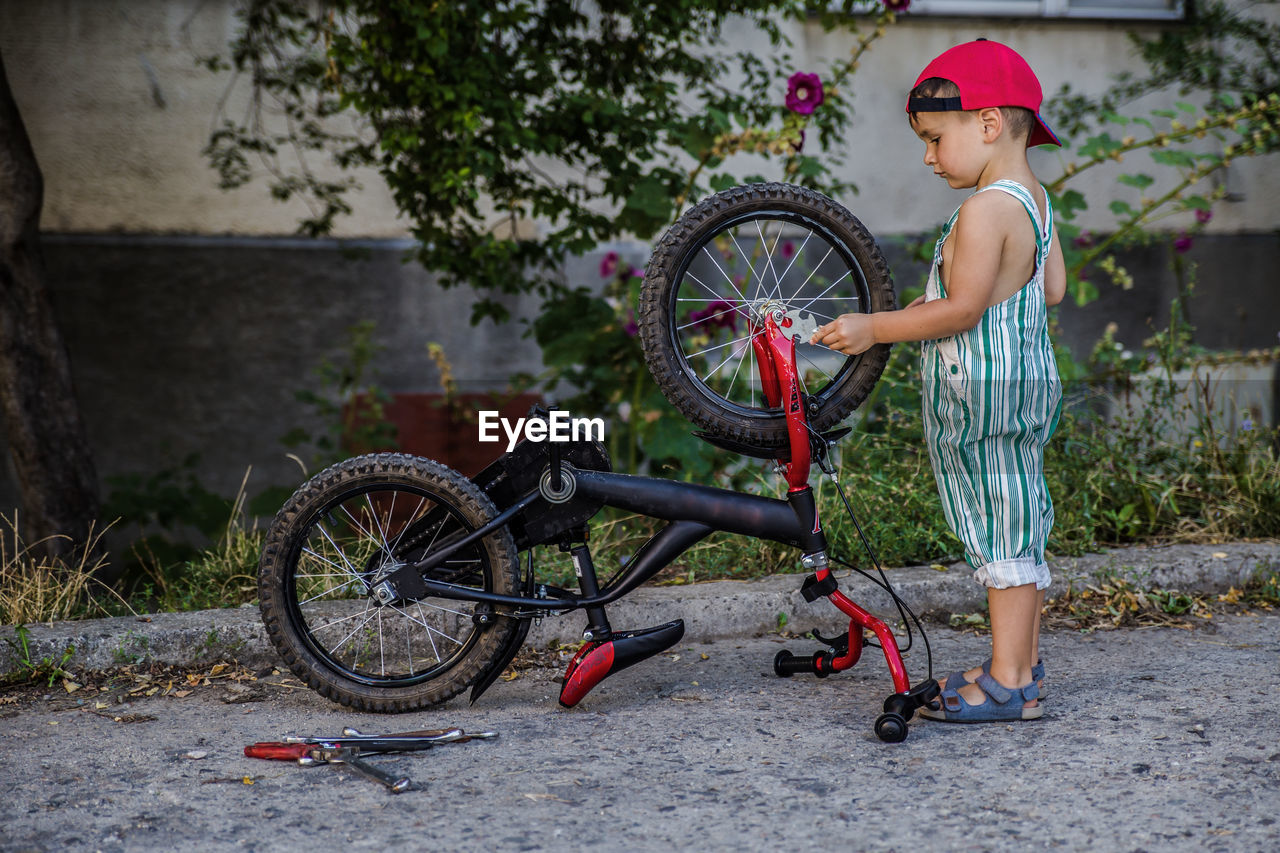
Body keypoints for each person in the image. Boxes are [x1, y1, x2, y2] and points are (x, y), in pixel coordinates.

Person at [811, 39, 1065, 723]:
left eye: (933, 138)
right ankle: (1023, 663)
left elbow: (965, 309)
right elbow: (1052, 288)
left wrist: (876, 327)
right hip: (1025, 387)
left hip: (986, 397)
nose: (927, 156)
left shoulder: (985, 210)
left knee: (999, 531)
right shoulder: (1036, 201)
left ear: (986, 124)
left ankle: (1011, 683)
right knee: (1018, 518)